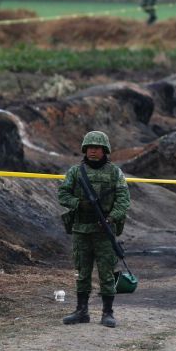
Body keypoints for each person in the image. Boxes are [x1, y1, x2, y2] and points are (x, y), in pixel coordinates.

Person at [58, 131, 130, 328]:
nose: (93, 151)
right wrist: (78, 204)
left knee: (106, 273)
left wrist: (110, 217)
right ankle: (82, 311)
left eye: (97, 148)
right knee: (82, 272)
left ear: (104, 150)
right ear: (84, 149)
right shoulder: (75, 172)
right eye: (89, 148)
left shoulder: (115, 172)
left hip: (104, 231)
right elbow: (62, 194)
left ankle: (108, 312)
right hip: (81, 230)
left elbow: (124, 200)